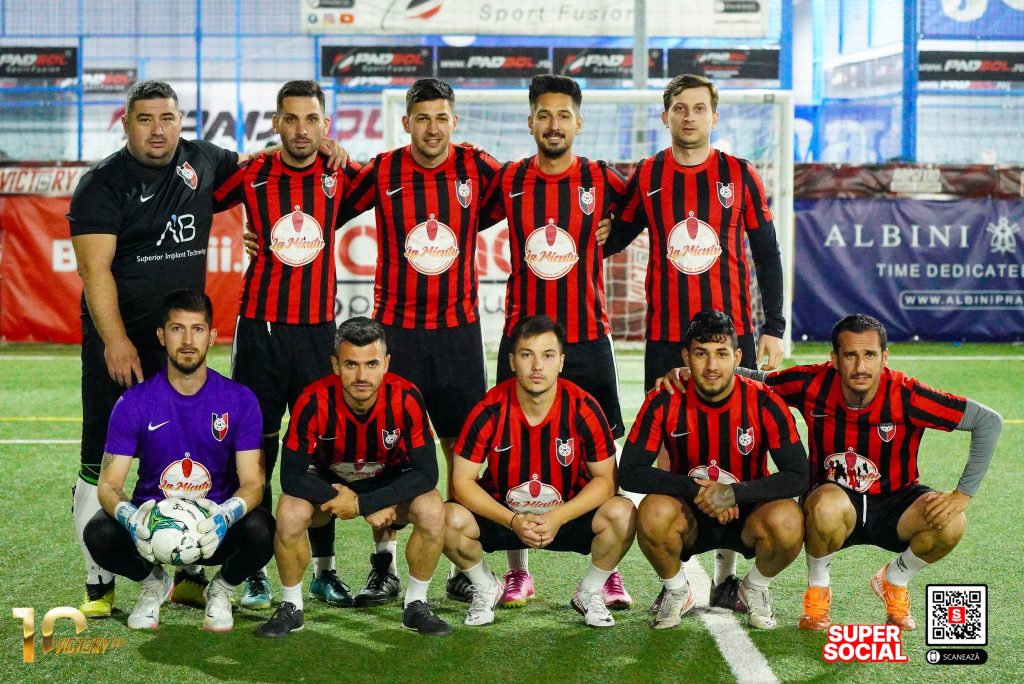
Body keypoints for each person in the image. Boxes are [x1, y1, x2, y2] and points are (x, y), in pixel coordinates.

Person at [658, 313, 1002, 630]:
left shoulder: (907, 394)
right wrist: (690, 373)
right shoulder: (812, 383)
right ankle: (818, 593)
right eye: (850, 355)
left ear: (884, 357)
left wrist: (963, 494)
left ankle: (894, 580)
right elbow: (758, 379)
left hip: (896, 500)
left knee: (952, 522)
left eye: (869, 355)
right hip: (832, 502)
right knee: (825, 505)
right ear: (834, 358)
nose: (860, 366)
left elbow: (987, 421)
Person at [68, 80, 261, 618]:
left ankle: (190, 573)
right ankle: (99, 583)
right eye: (146, 118)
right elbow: (94, 270)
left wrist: (322, 149)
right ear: (126, 123)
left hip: (182, 345)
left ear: (181, 121)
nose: (158, 130)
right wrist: (116, 341)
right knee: (99, 462)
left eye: (168, 118)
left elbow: (266, 171)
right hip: (121, 348)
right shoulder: (102, 184)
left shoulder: (203, 160)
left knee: (192, 458)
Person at [603, 73, 789, 601]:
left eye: (699, 108)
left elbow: (767, 253)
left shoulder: (739, 174)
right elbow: (618, 234)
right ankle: (679, 579)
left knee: (736, 444)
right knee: (669, 450)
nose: (689, 116)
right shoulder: (649, 174)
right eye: (680, 108)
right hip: (666, 337)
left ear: (714, 116)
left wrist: (774, 327)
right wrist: (579, 228)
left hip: (731, 337)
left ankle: (727, 574)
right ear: (665, 116)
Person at [341, 78, 503, 606]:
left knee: (461, 451)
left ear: (454, 121)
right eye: (422, 118)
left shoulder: (476, 167)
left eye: (441, 118)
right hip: (398, 333)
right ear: (405, 122)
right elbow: (326, 207)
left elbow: (525, 195)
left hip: (458, 333)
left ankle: (463, 562)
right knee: (390, 450)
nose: (432, 128)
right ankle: (384, 566)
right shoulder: (383, 170)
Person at [478, 74, 631, 609]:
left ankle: (607, 573)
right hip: (522, 340)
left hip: (587, 336)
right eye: (544, 115)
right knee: (509, 455)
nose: (553, 124)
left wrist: (617, 233)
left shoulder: (600, 178)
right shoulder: (510, 179)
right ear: (530, 123)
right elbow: (459, 211)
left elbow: (642, 212)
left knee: (604, 454)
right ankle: (517, 571)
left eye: (563, 115)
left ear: (578, 123)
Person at [213, 80, 361, 609]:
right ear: (276, 122)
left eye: (312, 119)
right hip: (261, 329)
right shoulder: (252, 172)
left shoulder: (340, 173)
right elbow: (198, 197)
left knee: (321, 451)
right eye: (291, 119)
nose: (302, 130)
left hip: (318, 332)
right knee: (254, 450)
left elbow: (391, 183)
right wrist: (242, 235)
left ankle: (324, 569)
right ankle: (252, 567)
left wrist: (343, 153)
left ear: (325, 124)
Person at [83, 290, 273, 632]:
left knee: (264, 530)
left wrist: (225, 516)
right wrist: (131, 518)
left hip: (212, 530)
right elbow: (109, 485)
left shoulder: (240, 400)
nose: (187, 340)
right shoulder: (134, 402)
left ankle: (220, 590)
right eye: (177, 329)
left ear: (211, 336)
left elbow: (254, 483)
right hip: (151, 530)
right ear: (161, 335)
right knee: (98, 532)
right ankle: (153, 584)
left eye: (197, 329)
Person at [255, 317, 450, 638]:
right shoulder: (312, 401)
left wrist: (367, 502)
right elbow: (291, 477)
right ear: (335, 365)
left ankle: (416, 604)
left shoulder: (406, 397)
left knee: (432, 509)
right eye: (351, 364)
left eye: (371, 364)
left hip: (386, 481)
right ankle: (292, 606)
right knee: (289, 512)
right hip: (329, 485)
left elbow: (427, 473)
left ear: (386, 363)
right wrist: (348, 501)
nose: (361, 376)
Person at [619, 309, 807, 630]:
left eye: (721, 354)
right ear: (686, 357)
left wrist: (734, 494)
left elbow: (799, 475)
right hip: (688, 515)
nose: (711, 366)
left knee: (789, 519)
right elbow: (630, 472)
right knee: (652, 511)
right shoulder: (665, 399)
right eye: (701, 354)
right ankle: (677, 591)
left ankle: (753, 587)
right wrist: (699, 490)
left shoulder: (764, 401)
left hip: (748, 514)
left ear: (737, 357)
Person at [444, 315, 636, 628]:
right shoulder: (489, 410)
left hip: (565, 517)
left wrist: (558, 517)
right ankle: (486, 585)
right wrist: (512, 520)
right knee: (445, 518)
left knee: (623, 513)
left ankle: (589, 590)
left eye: (547, 356)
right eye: (527, 355)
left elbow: (606, 480)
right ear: (512, 361)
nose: (537, 366)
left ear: (561, 362)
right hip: (507, 517)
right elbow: (461, 482)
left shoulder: (583, 407)